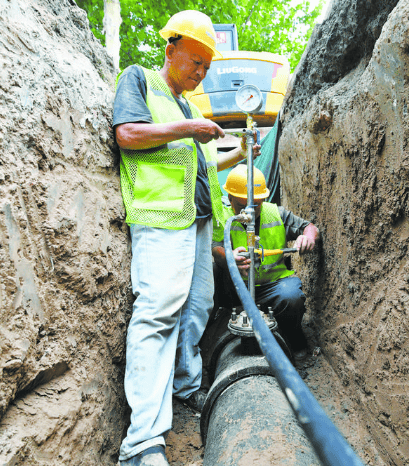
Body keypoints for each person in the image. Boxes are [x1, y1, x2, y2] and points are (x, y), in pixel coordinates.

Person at [112, 11, 260, 466]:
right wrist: (190, 129)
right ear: (170, 49)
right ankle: (142, 443)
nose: (199, 73)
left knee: (196, 309)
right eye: (194, 62)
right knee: (158, 313)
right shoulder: (138, 80)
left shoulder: (190, 109)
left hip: (196, 223)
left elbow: (198, 163)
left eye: (205, 67)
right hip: (160, 218)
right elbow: (129, 134)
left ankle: (186, 388)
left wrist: (238, 152)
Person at [212, 165, 320, 358]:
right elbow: (214, 246)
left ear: (263, 198)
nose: (249, 213)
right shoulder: (222, 217)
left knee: (291, 295)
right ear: (229, 198)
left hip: (272, 287)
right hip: (236, 290)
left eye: (255, 206)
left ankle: (291, 339)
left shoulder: (275, 213)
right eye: (241, 206)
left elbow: (309, 227)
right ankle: (211, 341)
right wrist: (229, 256)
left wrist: (308, 237)